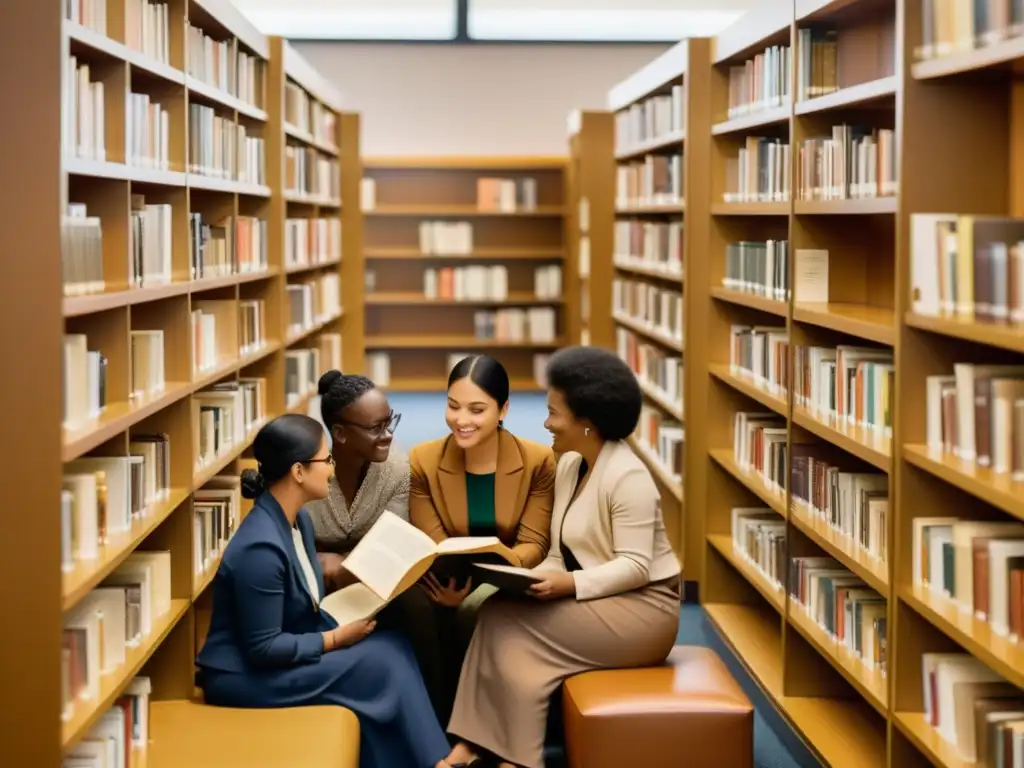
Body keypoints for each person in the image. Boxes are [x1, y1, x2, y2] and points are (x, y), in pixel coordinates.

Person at [445, 346, 682, 768]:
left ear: (587, 424)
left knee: (511, 629)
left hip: (644, 610)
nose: (546, 422)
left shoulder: (628, 477)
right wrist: (529, 579)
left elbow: (636, 566)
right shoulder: (570, 465)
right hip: (599, 598)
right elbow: (558, 553)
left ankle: (510, 755)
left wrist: (568, 584)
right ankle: (476, 743)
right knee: (497, 611)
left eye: (554, 413)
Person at [194, 413, 472, 768]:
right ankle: (438, 763)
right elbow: (262, 648)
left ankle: (429, 759)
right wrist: (337, 639)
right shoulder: (259, 549)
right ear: (298, 471)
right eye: (326, 460)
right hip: (246, 677)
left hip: (286, 648)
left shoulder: (300, 521)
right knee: (383, 663)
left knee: (395, 644)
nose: (331, 467)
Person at [409, 354, 556, 722]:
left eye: (477, 410)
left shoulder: (538, 461)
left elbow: (534, 543)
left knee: (478, 613)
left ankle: (489, 726)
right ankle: (441, 722)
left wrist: (489, 583)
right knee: (422, 615)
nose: (461, 420)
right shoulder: (423, 460)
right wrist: (451, 585)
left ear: (503, 409)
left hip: (510, 577)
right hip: (445, 578)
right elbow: (434, 540)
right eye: (453, 406)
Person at [305, 369, 448, 718]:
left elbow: (389, 540)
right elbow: (294, 539)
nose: (387, 436)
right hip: (316, 577)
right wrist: (320, 562)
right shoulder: (308, 469)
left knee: (418, 607)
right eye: (374, 428)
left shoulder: (398, 467)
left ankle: (438, 710)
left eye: (390, 422)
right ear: (338, 433)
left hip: (382, 577)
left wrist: (338, 564)